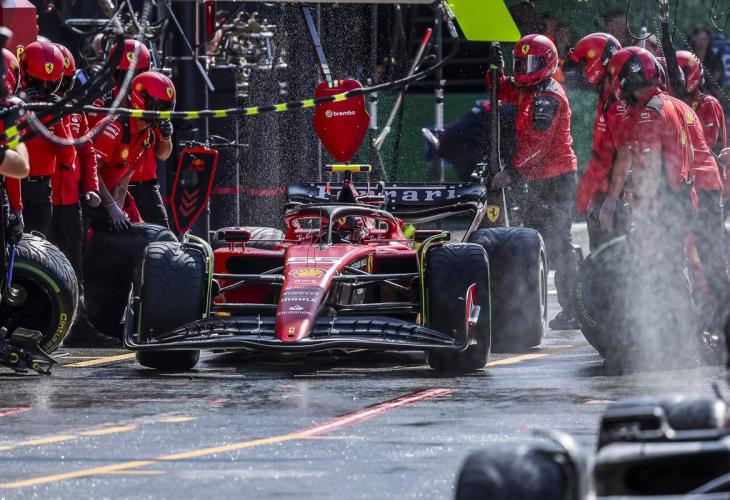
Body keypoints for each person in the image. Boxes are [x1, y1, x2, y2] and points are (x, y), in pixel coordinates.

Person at [487, 34, 580, 330]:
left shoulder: (549, 96)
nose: (524, 69)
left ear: (547, 63)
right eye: (520, 63)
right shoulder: (527, 89)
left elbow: (539, 145)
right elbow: (500, 89)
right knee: (530, 238)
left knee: (559, 244)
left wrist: (511, 173)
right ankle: (525, 307)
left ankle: (575, 309)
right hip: (535, 177)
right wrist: (494, 69)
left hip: (557, 178)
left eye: (531, 63)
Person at [606, 47, 696, 338]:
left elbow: (651, 165)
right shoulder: (670, 104)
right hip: (681, 197)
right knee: (672, 269)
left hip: (665, 204)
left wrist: (641, 203)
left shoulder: (649, 112)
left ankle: (683, 341)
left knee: (667, 271)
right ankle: (680, 338)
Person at [568, 32, 632, 251]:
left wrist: (611, 201)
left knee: (612, 261)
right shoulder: (606, 98)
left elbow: (625, 154)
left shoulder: (617, 101)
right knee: (600, 258)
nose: (582, 70)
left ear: (600, 60)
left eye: (585, 63)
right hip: (605, 194)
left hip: (616, 197)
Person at [91, 71, 176, 231]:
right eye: (158, 107)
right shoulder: (114, 127)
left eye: (166, 109)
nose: (162, 115)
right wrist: (111, 207)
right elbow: (91, 171)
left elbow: (123, 183)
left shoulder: (148, 137)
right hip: (87, 198)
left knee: (159, 233)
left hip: (109, 196)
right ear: (140, 100)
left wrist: (116, 214)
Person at [17, 40, 76, 236]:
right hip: (14, 185)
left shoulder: (58, 109)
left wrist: (57, 120)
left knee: (38, 243)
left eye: (50, 84)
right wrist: (20, 106)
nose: (43, 89)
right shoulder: (11, 104)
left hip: (42, 190)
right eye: (37, 83)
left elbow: (68, 159)